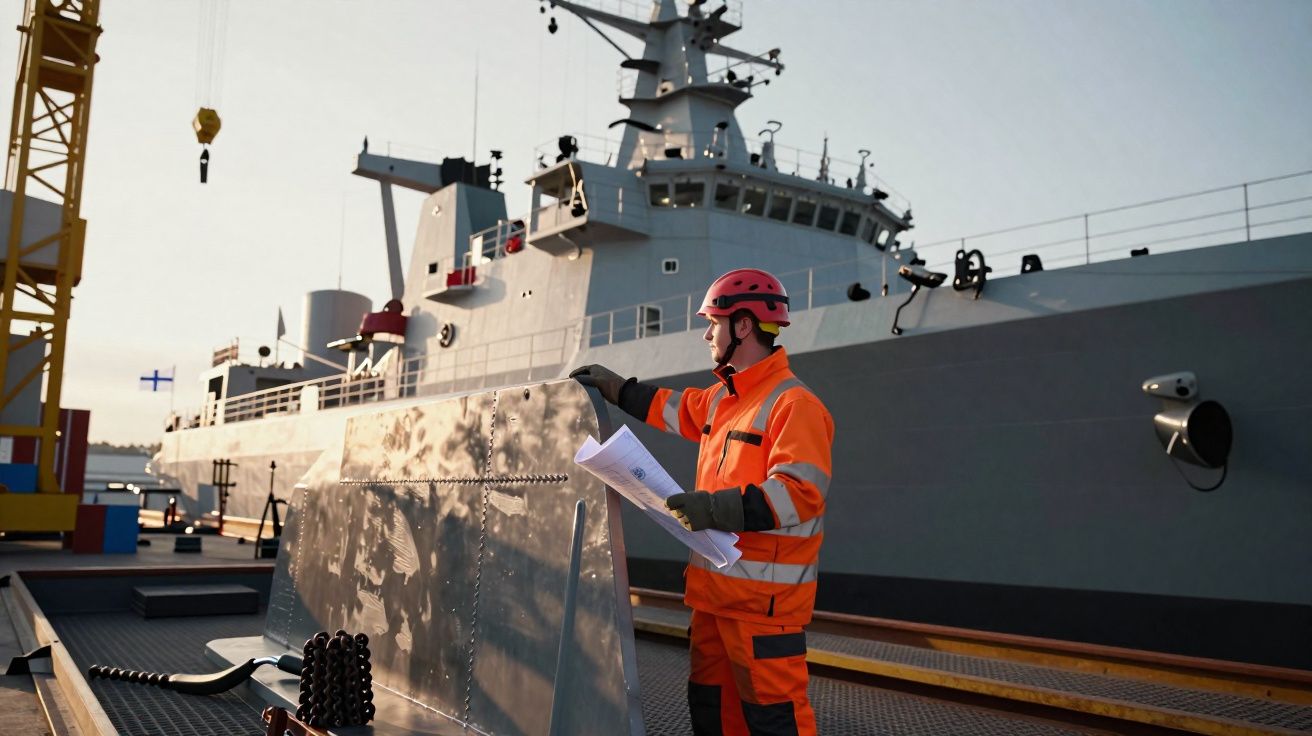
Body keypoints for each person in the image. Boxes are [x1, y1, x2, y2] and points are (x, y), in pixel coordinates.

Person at [571, 268, 833, 736]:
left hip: (762, 610)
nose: (706, 333)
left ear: (744, 326)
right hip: (713, 601)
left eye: (713, 322)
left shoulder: (796, 405)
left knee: (775, 720)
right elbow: (672, 407)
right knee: (711, 714)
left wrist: (711, 509)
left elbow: (800, 493)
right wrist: (617, 389)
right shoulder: (723, 400)